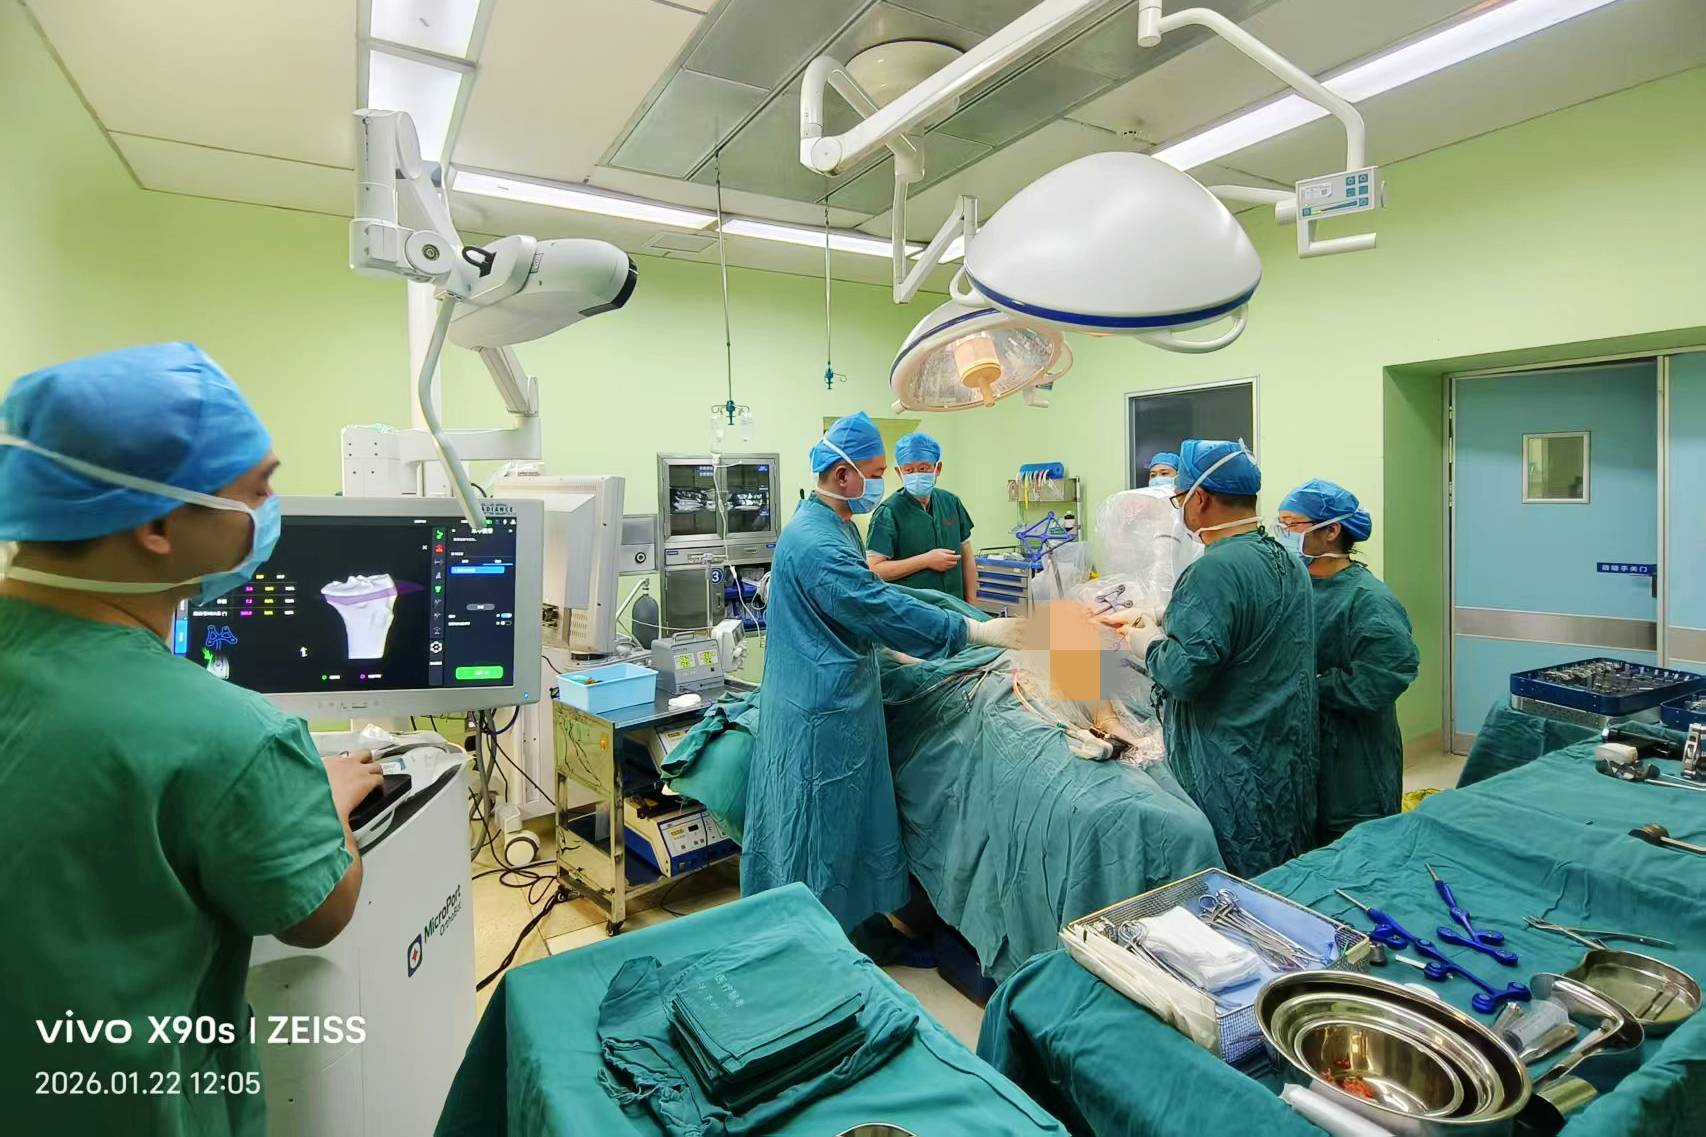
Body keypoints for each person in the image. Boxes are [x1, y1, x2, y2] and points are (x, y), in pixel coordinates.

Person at [0, 343, 381, 1136]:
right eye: (259, 487)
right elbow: (319, 911)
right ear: (157, 523)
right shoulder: (230, 736)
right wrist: (322, 796)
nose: (272, 507)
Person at [743, 412, 1022, 935]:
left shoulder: (833, 522)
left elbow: (864, 605)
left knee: (843, 830)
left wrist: (931, 627)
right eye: (875, 473)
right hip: (821, 709)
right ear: (842, 474)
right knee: (820, 832)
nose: (881, 483)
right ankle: (816, 944)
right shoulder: (818, 542)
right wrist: (974, 631)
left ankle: (853, 929)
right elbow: (877, 604)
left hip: (831, 690)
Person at [1098, 439, 1318, 877]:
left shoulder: (1212, 569)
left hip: (1231, 760)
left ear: (1198, 498)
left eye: (1178, 498)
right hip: (1281, 745)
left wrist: (1147, 643)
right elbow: (1248, 621)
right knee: (1284, 868)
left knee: (1234, 880)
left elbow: (1184, 674)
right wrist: (1162, 613)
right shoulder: (1287, 560)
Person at [1277, 478, 1419, 841]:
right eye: (1279, 525)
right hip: (1299, 751)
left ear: (1331, 531)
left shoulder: (1369, 599)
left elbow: (1386, 674)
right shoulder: (1292, 589)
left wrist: (1308, 687)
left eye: (1291, 525)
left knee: (1357, 850)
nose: (1283, 534)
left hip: (1354, 763)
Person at [866, 430, 977, 600]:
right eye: (908, 470)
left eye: (923, 468)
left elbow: (967, 558)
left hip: (956, 607)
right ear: (899, 472)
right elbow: (875, 569)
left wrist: (972, 605)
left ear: (937, 469)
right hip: (911, 610)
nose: (916, 475)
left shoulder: (951, 502)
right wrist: (925, 560)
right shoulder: (888, 512)